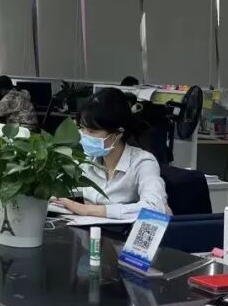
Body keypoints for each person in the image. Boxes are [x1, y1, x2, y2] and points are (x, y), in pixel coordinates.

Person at [56, 87, 168, 220]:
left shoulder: (142, 162)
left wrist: (87, 210)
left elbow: (155, 208)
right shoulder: (87, 158)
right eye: (82, 128)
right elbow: (59, 184)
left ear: (118, 134)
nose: (84, 135)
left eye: (92, 131)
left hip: (121, 232)